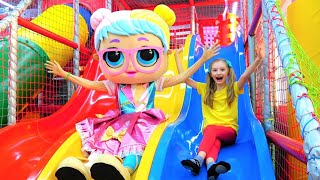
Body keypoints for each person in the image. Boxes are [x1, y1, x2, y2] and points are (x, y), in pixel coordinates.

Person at [45, 4, 220, 180]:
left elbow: (183, 77)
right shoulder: (115, 85)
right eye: (114, 57)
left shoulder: (154, 83)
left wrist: (203, 59)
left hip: (145, 122)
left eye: (146, 55)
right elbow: (89, 84)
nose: (130, 65)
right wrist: (65, 74)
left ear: (163, 54)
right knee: (106, 142)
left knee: (136, 147)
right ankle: (87, 167)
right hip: (120, 121)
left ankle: (125, 171)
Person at [176, 43, 265, 180]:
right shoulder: (204, 89)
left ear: (228, 72)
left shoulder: (233, 88)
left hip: (229, 132)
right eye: (215, 70)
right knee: (214, 141)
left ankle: (198, 159)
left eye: (222, 70)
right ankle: (211, 166)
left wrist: (258, 60)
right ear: (210, 74)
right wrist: (177, 57)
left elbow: (244, 76)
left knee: (211, 130)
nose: (219, 73)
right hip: (212, 134)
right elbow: (185, 79)